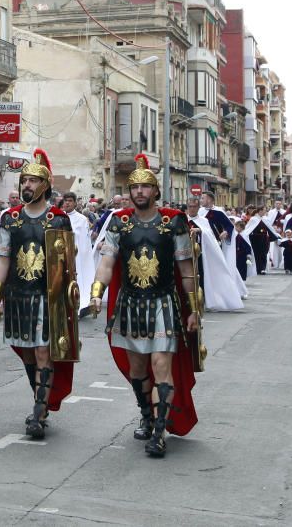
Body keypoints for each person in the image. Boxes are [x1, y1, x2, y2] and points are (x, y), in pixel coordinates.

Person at [89, 153, 199, 458]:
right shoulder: (119, 224)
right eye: (134, 187)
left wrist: (193, 310)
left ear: (155, 191)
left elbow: (186, 268)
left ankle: (159, 431)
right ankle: (147, 415)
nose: (139, 191)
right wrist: (97, 291)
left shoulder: (173, 223)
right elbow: (107, 262)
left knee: (161, 366)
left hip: (163, 303)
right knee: (138, 369)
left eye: (145, 187)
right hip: (130, 305)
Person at [0, 149, 75, 439]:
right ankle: (41, 397)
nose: (26, 185)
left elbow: (67, 266)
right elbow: (3, 258)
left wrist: (66, 303)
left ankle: (39, 410)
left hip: (46, 297)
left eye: (33, 181)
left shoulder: (59, 219)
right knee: (27, 351)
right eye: (23, 180)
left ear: (45, 185)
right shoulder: (10, 219)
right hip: (18, 295)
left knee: (42, 351)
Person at [186, 198, 243, 312]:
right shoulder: (182, 220)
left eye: (194, 207)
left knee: (201, 277)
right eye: (190, 206)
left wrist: (200, 230)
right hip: (185, 254)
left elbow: (209, 234)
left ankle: (202, 301)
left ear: (198, 208)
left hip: (200, 254)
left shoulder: (203, 221)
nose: (192, 209)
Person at [62, 192, 95, 317]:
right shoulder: (60, 217)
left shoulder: (81, 219)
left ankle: (77, 306)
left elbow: (84, 241)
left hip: (77, 256)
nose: (67, 203)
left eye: (70, 200)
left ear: (75, 203)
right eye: (65, 201)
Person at [245, 206, 280, 274]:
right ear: (260, 211)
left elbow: (270, 229)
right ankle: (257, 268)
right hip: (255, 239)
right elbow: (248, 229)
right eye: (264, 210)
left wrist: (276, 236)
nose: (265, 212)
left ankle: (262, 268)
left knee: (264, 253)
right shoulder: (253, 219)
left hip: (264, 239)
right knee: (256, 254)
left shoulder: (266, 219)